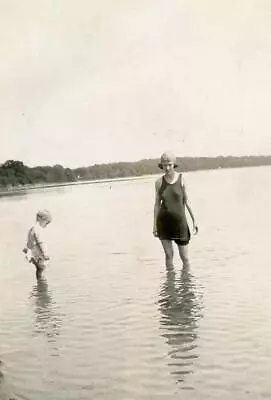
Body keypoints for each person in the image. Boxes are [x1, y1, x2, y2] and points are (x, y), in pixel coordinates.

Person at [153, 151, 198, 268]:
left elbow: (187, 201)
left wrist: (194, 220)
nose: (167, 168)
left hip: (180, 224)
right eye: (164, 165)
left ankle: (186, 284)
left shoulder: (182, 179)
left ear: (174, 165)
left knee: (185, 258)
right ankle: (170, 285)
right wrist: (154, 225)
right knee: (169, 256)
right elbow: (157, 204)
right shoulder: (158, 182)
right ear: (161, 165)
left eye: (170, 164)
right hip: (163, 224)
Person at [23, 209, 52, 279]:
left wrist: (26, 249)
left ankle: (39, 285)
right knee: (43, 270)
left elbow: (29, 241)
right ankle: (43, 287)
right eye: (46, 223)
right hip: (39, 254)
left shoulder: (31, 228)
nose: (46, 225)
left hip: (33, 254)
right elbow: (40, 242)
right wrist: (44, 254)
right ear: (41, 219)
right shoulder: (38, 229)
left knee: (39, 270)